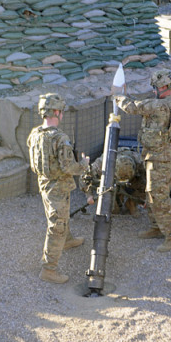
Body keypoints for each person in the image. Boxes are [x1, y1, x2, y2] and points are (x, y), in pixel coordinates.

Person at [115, 69, 171, 252]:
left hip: (159, 158)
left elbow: (133, 107)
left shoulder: (158, 106)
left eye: (155, 87)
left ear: (162, 86)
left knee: (159, 197)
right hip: (162, 156)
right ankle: (156, 227)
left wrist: (118, 96)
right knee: (151, 193)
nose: (154, 90)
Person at [27, 93, 90, 283]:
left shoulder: (35, 134)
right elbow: (69, 167)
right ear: (56, 112)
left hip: (45, 184)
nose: (62, 114)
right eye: (61, 111)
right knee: (57, 226)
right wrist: (84, 164)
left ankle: (68, 240)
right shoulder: (60, 138)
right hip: (58, 186)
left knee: (59, 216)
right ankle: (49, 269)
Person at [79, 148, 146, 217]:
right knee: (113, 211)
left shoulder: (140, 163)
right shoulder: (102, 163)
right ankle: (118, 196)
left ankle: (131, 203)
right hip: (112, 180)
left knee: (146, 184)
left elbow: (150, 182)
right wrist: (89, 195)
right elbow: (84, 178)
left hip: (133, 179)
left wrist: (143, 198)